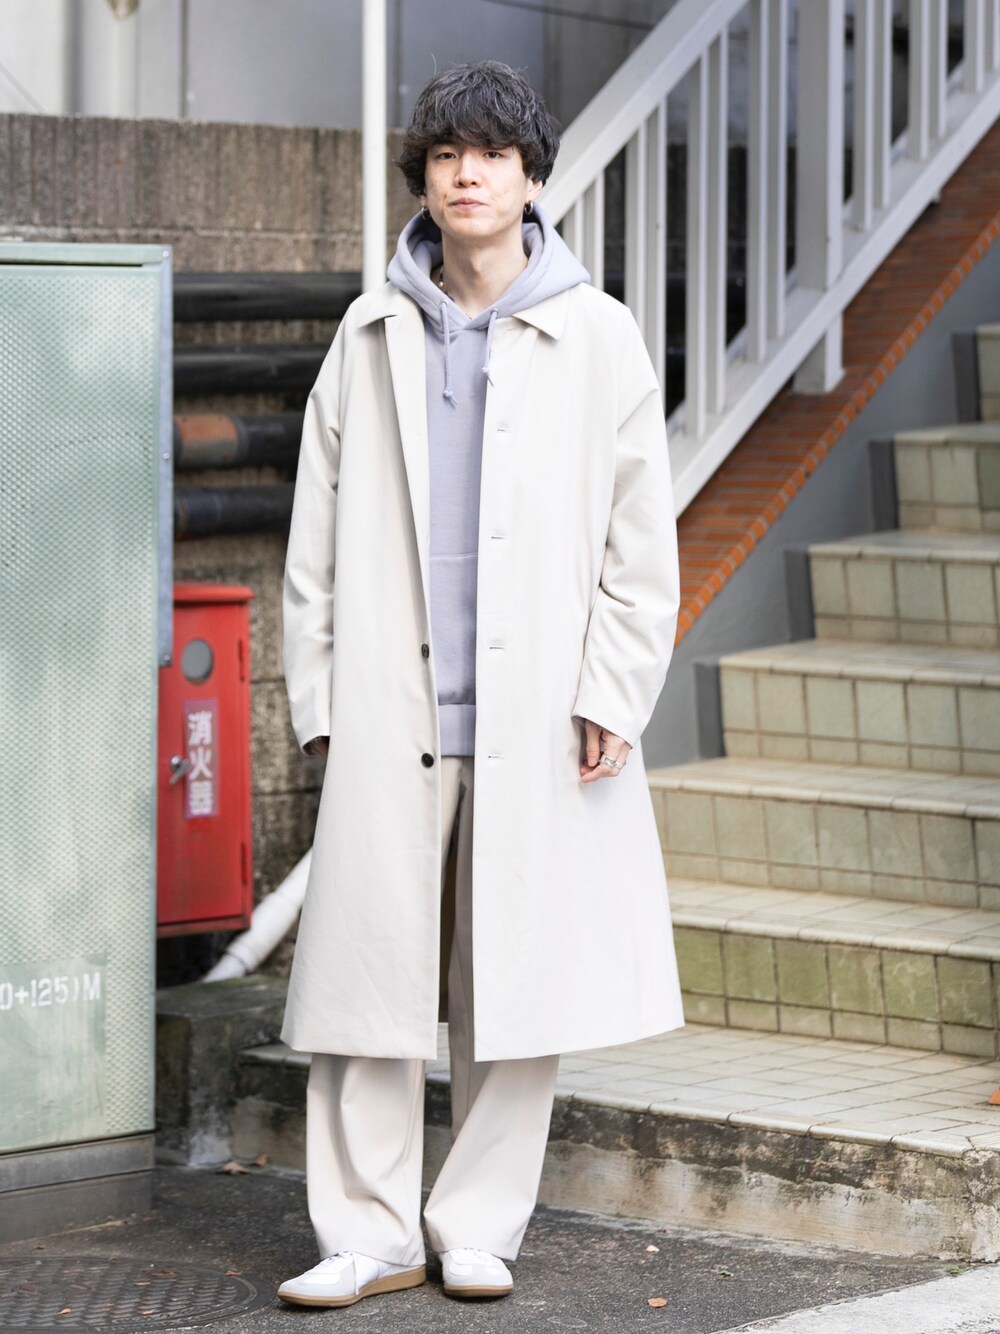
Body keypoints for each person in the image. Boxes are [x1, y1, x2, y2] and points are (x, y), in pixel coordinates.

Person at [276, 59, 683, 1310]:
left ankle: (477, 1221)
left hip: (536, 715)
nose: (468, 175)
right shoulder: (370, 330)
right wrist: (321, 705)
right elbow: (312, 541)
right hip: (390, 710)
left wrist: (612, 690)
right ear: (423, 180)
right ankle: (366, 1229)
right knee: (367, 979)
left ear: (531, 177)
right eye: (447, 154)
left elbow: (638, 541)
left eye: (493, 154)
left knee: (515, 981)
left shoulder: (596, 333)